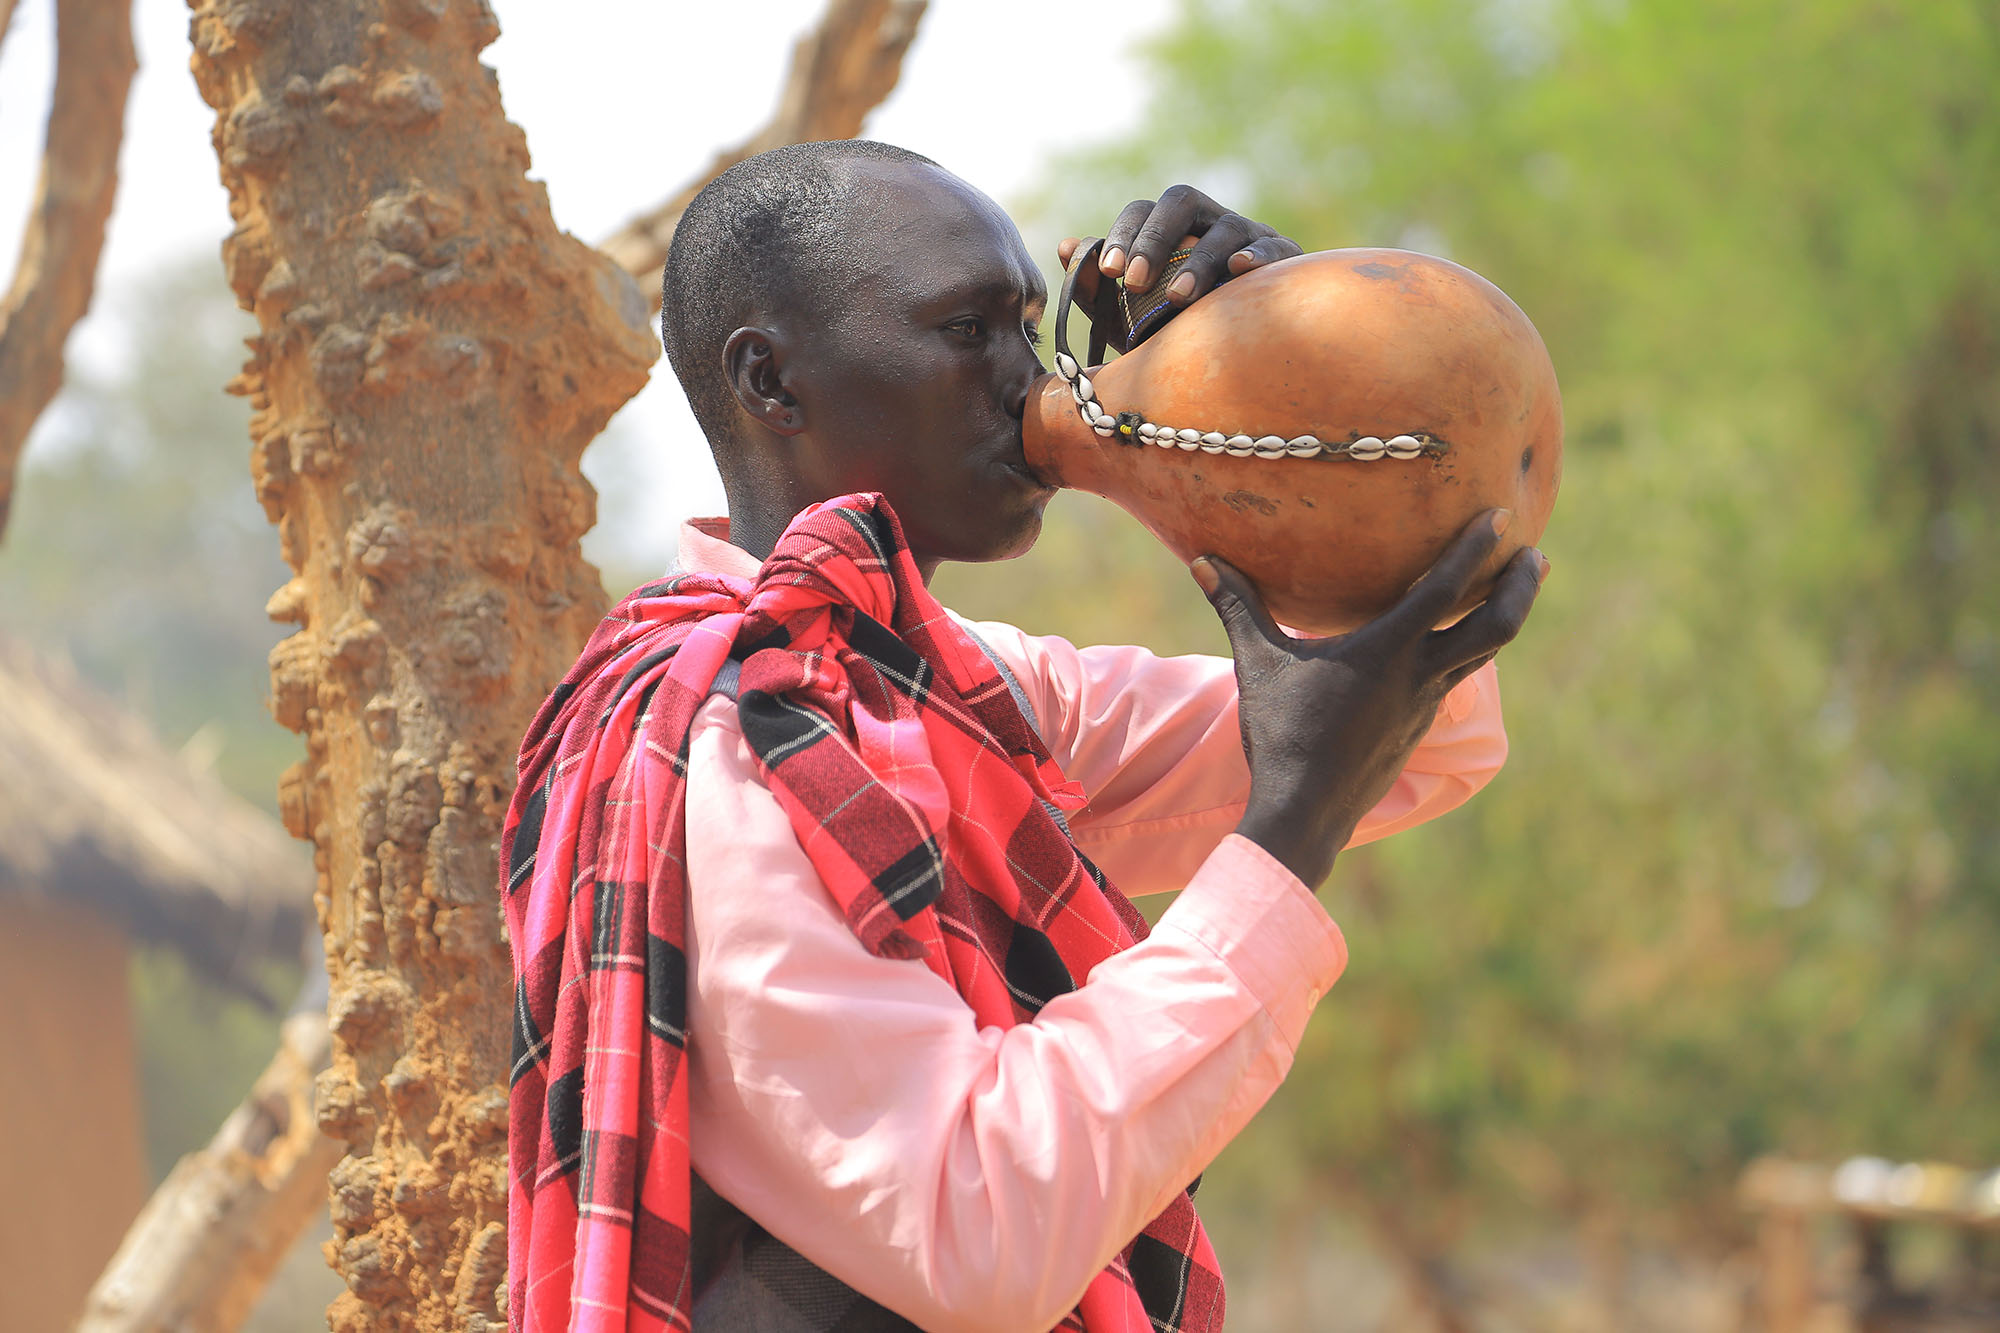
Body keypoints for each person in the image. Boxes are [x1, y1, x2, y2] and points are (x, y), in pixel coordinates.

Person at [502, 140, 1547, 1333]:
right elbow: (968, 1230)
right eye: (965, 332)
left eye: (1030, 328)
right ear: (771, 383)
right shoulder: (740, 741)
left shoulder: (962, 688)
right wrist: (1286, 831)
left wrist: (1300, 388)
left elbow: (1420, 733)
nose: (1028, 381)